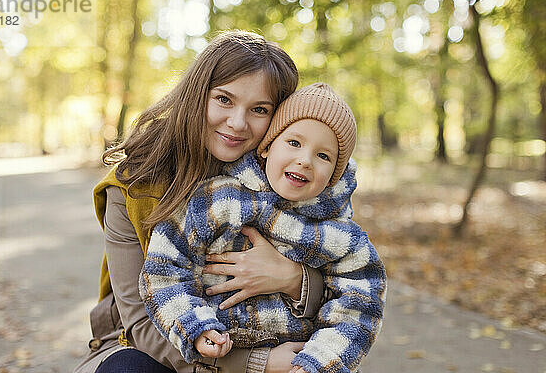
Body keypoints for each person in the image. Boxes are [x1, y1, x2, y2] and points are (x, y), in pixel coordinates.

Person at [73, 31, 330, 373]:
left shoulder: (291, 178)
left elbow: (348, 288)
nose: (237, 123)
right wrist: (256, 364)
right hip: (157, 351)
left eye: (259, 109)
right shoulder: (133, 186)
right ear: (198, 95)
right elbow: (140, 323)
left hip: (270, 338)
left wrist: (293, 279)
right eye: (224, 99)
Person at [140, 83, 387, 372]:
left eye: (323, 156)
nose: (304, 160)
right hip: (217, 358)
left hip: (296, 360)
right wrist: (195, 326)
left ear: (334, 174)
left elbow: (359, 307)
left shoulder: (343, 238)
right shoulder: (218, 200)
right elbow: (164, 269)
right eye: (294, 143)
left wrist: (320, 361)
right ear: (268, 147)